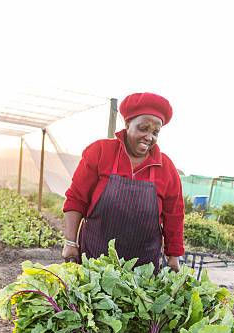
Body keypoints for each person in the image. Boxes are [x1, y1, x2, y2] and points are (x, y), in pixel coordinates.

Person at [62, 92, 184, 272]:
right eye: (143, 128)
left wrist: (173, 256)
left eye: (155, 132)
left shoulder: (165, 167)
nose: (149, 137)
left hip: (143, 267)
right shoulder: (101, 151)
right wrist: (70, 242)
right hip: (95, 260)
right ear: (127, 124)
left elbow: (174, 214)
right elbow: (76, 199)